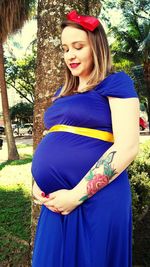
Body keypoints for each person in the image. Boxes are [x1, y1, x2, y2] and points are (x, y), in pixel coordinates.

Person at [31, 10, 139, 267]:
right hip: (55, 202)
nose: (70, 55)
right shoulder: (62, 92)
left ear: (97, 47)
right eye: (65, 48)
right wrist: (37, 183)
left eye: (78, 47)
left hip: (95, 200)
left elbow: (127, 146)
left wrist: (76, 195)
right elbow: (52, 140)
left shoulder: (116, 83)